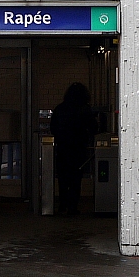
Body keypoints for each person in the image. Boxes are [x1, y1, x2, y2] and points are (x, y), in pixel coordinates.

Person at [50, 82, 97, 216]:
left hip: (63, 148)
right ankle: (73, 207)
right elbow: (93, 127)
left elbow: (53, 128)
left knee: (63, 178)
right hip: (78, 148)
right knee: (76, 179)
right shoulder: (85, 109)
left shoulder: (60, 108)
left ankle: (62, 204)